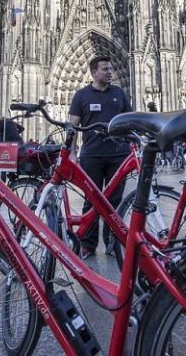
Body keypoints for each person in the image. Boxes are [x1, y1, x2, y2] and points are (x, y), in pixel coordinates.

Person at [69, 56, 132, 258]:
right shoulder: (81, 96)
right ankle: (88, 244)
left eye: (111, 68)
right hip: (91, 155)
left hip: (118, 154)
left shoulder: (119, 94)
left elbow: (129, 121)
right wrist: (71, 153)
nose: (110, 72)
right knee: (92, 200)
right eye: (105, 69)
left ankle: (112, 243)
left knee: (115, 202)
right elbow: (72, 126)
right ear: (94, 72)